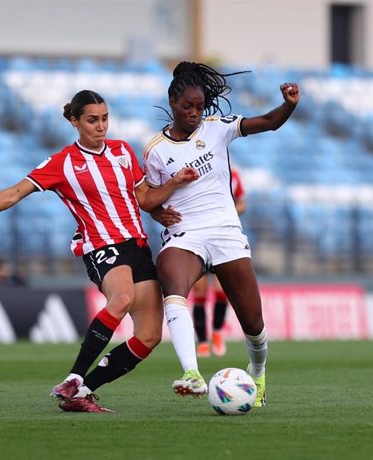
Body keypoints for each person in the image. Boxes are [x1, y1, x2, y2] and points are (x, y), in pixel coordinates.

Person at [0, 89, 198, 413]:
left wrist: (172, 186)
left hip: (137, 247)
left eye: (105, 118)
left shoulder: (122, 151)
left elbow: (144, 199)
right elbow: (14, 193)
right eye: (92, 120)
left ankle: (82, 391)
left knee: (149, 336)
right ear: (74, 121)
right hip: (102, 246)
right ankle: (75, 376)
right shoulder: (63, 163)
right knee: (120, 299)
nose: (101, 126)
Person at [143, 61, 299, 407]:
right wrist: (157, 212)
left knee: (253, 323)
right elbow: (148, 197)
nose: (195, 113)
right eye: (188, 106)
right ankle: (191, 374)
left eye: (200, 107)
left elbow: (269, 123)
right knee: (171, 282)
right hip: (185, 233)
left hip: (226, 231)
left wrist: (288, 105)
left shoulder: (218, 128)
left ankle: (257, 374)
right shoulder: (155, 150)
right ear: (172, 102)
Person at [191, 167, 246, 358]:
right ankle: (202, 341)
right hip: (197, 239)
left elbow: (242, 204)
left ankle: (217, 332)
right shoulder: (198, 172)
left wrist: (228, 211)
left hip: (221, 239)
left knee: (221, 291)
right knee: (199, 292)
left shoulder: (233, 176)